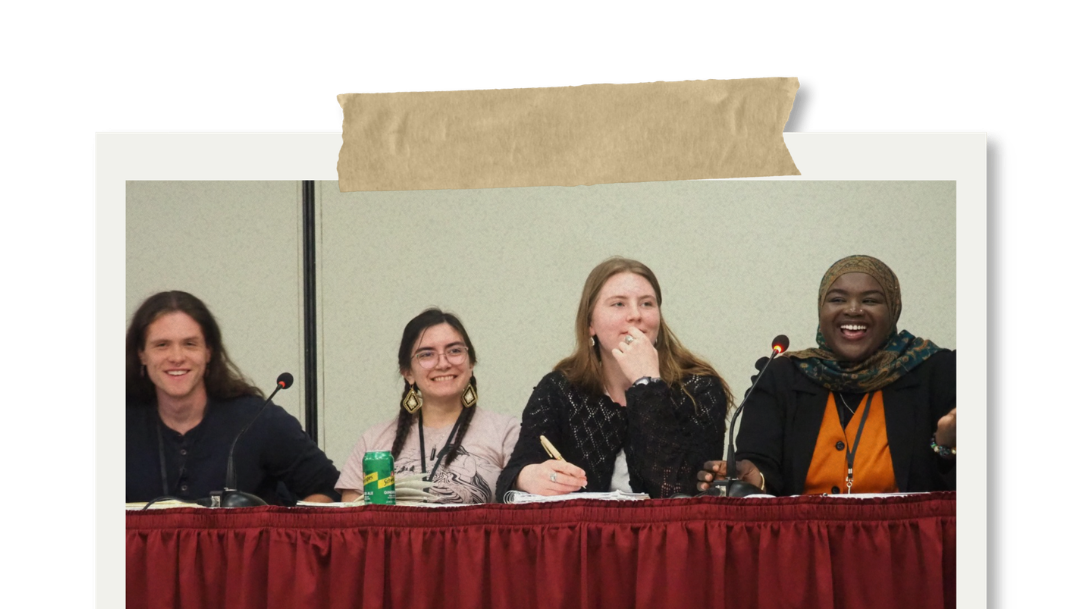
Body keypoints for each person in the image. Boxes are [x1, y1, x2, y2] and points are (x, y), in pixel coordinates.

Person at [698, 255, 957, 496]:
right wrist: (756, 480)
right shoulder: (780, 377)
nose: (853, 310)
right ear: (821, 310)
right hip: (804, 530)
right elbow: (762, 467)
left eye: (870, 301)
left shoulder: (937, 372)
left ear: (893, 311)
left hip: (906, 530)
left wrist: (946, 447)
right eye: (837, 300)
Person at [497, 257, 732, 500]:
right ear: (590, 324)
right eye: (618, 304)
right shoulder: (559, 389)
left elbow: (676, 493)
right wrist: (526, 477)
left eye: (647, 304)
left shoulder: (699, 389)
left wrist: (647, 383)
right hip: (583, 524)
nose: (635, 315)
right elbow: (509, 479)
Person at [126, 290, 340, 505]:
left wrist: (284, 527)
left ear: (208, 352)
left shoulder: (255, 419)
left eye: (190, 344)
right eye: (162, 345)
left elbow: (329, 489)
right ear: (141, 354)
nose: (177, 357)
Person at [337, 309, 520, 504]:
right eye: (426, 354)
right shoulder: (373, 441)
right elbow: (351, 514)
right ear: (408, 373)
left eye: (455, 351)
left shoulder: (506, 432)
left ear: (471, 363)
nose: (443, 363)